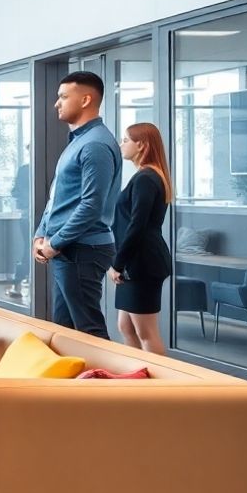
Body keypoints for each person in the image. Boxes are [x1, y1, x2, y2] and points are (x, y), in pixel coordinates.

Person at [34, 71, 121, 340]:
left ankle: (106, 383)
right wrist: (41, 233)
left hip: (82, 249)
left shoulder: (95, 144)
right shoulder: (79, 141)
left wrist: (54, 243)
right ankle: (75, 383)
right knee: (65, 331)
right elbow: (58, 197)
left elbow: (91, 205)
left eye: (63, 97)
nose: (56, 103)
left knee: (89, 332)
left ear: (85, 100)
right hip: (67, 249)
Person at [108, 123, 173, 355]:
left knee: (146, 332)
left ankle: (158, 388)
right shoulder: (145, 176)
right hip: (137, 261)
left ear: (141, 145)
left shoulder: (146, 178)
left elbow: (137, 226)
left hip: (143, 263)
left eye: (126, 140)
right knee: (125, 326)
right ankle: (139, 379)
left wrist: (118, 263)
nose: (121, 144)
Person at [5, 153, 31, 300]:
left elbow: (14, 191)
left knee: (27, 250)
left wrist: (23, 205)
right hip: (38, 216)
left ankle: (17, 284)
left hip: (27, 216)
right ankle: (19, 283)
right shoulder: (53, 164)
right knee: (28, 251)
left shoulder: (24, 170)